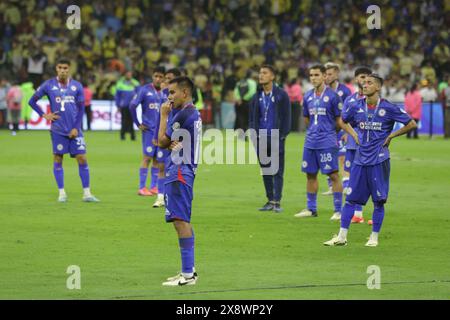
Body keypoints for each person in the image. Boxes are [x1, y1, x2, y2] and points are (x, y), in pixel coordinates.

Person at [324, 74, 417, 247]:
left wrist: (392, 135)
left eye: (369, 83)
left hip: (379, 161)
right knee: (351, 199)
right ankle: (341, 237)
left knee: (378, 201)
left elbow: (411, 124)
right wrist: (353, 134)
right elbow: (343, 122)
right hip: (360, 160)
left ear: (378, 87)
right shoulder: (356, 105)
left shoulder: (388, 107)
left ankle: (374, 237)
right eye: (364, 82)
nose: (364, 85)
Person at [28, 58, 99, 203]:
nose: (63, 70)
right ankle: (61, 193)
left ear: (69, 69)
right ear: (56, 69)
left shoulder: (77, 86)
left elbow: (81, 110)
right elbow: (32, 101)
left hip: (75, 130)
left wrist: (76, 128)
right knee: (58, 159)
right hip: (58, 129)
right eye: (60, 67)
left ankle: (87, 194)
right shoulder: (49, 85)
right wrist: (44, 115)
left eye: (65, 68)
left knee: (82, 158)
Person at [158, 76, 202, 286]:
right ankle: (189, 270)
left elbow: (160, 141)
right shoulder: (190, 112)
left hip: (180, 170)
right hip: (184, 168)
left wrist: (163, 115)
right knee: (182, 219)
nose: (169, 97)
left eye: (172, 92)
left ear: (185, 92)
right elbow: (167, 143)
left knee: (179, 220)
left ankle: (187, 275)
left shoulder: (183, 114)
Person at [294, 64, 346, 220]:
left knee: (333, 175)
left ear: (324, 76)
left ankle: (338, 210)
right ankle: (311, 209)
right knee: (310, 175)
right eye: (311, 75)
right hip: (310, 141)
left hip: (327, 141)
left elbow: (339, 120)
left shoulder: (333, 96)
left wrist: (328, 132)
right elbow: (307, 118)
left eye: (317, 75)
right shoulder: (308, 96)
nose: (313, 78)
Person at [249, 64, 291, 213]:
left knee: (277, 171)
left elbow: (287, 117)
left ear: (272, 76)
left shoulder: (281, 95)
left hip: (276, 137)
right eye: (260, 73)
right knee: (266, 171)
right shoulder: (256, 96)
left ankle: (277, 201)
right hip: (260, 138)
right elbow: (252, 118)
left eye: (265, 73)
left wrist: (282, 135)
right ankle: (270, 199)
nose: (261, 75)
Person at [129, 66, 166, 200]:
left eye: (161, 77)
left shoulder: (166, 92)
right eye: (156, 76)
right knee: (147, 158)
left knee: (158, 159)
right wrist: (138, 124)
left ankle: (154, 186)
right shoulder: (144, 90)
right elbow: (132, 105)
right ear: (152, 76)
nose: (158, 79)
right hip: (149, 130)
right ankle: (141, 187)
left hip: (162, 131)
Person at [342, 66, 373, 224]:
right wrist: (348, 134)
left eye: (368, 78)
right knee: (348, 174)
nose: (364, 81)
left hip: (368, 146)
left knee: (364, 178)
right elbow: (344, 120)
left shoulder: (373, 100)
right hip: (353, 144)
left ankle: (359, 212)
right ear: (356, 79)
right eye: (362, 77)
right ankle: (354, 211)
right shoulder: (350, 100)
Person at [150, 68, 182, 207]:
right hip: (164, 135)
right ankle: (160, 197)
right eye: (166, 78)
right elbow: (160, 116)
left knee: (177, 167)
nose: (165, 81)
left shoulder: (182, 97)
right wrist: (156, 134)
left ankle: (174, 197)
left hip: (177, 136)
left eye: (169, 79)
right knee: (162, 165)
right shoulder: (163, 94)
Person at [322, 62, 352, 196]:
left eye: (330, 74)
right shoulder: (322, 91)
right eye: (325, 74)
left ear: (337, 74)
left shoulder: (345, 91)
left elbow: (350, 111)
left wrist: (347, 131)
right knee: (328, 157)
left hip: (341, 129)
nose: (327, 77)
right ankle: (331, 186)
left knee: (342, 157)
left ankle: (345, 184)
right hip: (326, 131)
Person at [115, 70, 139, 140]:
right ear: (125, 75)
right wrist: (118, 105)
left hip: (132, 105)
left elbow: (140, 92)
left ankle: (132, 136)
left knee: (132, 120)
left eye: (130, 74)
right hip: (124, 105)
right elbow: (117, 96)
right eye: (128, 74)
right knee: (124, 121)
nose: (129, 76)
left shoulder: (135, 83)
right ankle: (122, 136)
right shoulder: (120, 83)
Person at [234, 70, 257, 136]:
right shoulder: (253, 82)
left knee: (240, 119)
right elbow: (252, 93)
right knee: (248, 119)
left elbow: (236, 91)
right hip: (248, 103)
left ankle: (241, 134)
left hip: (239, 103)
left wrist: (239, 99)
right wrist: (244, 98)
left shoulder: (240, 82)